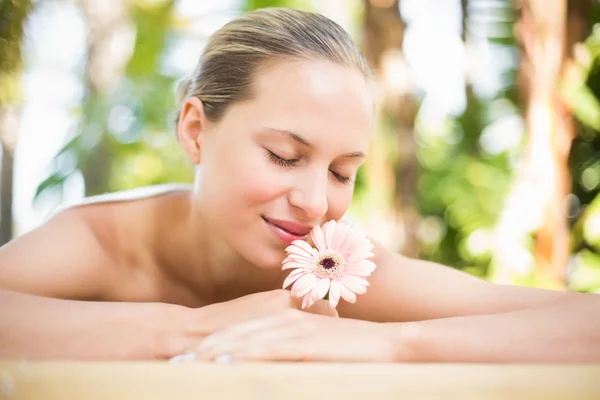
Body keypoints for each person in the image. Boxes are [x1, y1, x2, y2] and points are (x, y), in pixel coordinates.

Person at [0, 7, 598, 363]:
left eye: (343, 172)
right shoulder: (101, 241)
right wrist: (200, 327)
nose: (316, 203)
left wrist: (388, 345)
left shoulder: (333, 269)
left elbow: (583, 325)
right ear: (195, 131)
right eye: (285, 156)